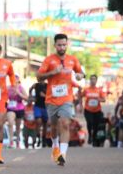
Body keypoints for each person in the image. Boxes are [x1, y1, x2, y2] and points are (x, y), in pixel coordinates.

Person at [36, 33, 84, 166]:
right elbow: (38, 77)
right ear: (55, 45)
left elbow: (80, 72)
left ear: (67, 44)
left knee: (65, 124)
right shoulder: (49, 60)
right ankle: (55, 145)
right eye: (59, 45)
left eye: (64, 44)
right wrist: (52, 72)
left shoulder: (72, 59)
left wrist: (80, 75)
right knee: (54, 126)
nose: (62, 47)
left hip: (66, 98)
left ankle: (63, 154)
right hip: (51, 99)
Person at [81, 75, 106, 147]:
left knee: (95, 125)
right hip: (88, 110)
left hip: (97, 110)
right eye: (91, 79)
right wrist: (80, 104)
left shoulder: (99, 90)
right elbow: (80, 96)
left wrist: (99, 100)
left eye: (94, 79)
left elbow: (104, 99)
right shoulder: (86, 89)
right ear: (90, 80)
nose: (93, 81)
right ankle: (90, 135)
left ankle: (94, 138)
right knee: (89, 122)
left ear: (96, 81)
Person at [6, 75, 28, 149]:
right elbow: (3, 97)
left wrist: (19, 93)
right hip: (11, 107)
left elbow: (27, 98)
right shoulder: (8, 88)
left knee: (18, 127)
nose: (15, 82)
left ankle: (18, 141)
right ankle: (11, 141)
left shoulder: (21, 88)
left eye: (16, 81)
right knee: (10, 123)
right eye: (13, 81)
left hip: (19, 108)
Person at [29, 79, 48, 147]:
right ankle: (38, 137)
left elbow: (51, 94)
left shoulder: (47, 85)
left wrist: (45, 96)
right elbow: (30, 89)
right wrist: (31, 96)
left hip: (45, 106)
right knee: (38, 121)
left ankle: (44, 140)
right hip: (37, 106)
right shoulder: (36, 85)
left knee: (45, 124)